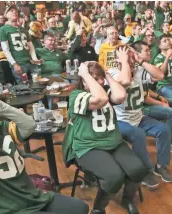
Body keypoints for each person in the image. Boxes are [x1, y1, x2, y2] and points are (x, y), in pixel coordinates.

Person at [0, 93, 89, 214]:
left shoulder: (1, 130)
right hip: (8, 210)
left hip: (32, 198)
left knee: (80, 208)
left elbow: (29, 125)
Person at [63, 62, 147, 214]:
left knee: (138, 169)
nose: (99, 81)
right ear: (84, 81)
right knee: (114, 176)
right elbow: (100, 99)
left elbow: (121, 95)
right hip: (88, 147)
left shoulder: (105, 91)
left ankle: (127, 199)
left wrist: (107, 75)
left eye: (100, 78)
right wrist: (86, 75)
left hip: (113, 142)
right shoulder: (77, 96)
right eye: (94, 78)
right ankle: (98, 209)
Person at [109, 43, 172, 189]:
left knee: (164, 130)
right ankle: (144, 172)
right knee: (139, 135)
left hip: (138, 117)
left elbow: (159, 75)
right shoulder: (113, 73)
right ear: (119, 59)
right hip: (120, 121)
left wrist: (141, 61)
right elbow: (125, 80)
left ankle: (161, 166)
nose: (131, 58)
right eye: (128, 56)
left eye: (132, 55)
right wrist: (124, 61)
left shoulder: (138, 70)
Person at [0, 5, 41, 83]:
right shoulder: (3, 29)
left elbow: (31, 46)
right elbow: (5, 49)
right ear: (6, 14)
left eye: (16, 11)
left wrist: (35, 59)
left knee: (38, 83)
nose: (14, 12)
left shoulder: (23, 29)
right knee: (24, 88)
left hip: (30, 62)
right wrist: (14, 64)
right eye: (11, 11)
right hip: (19, 64)